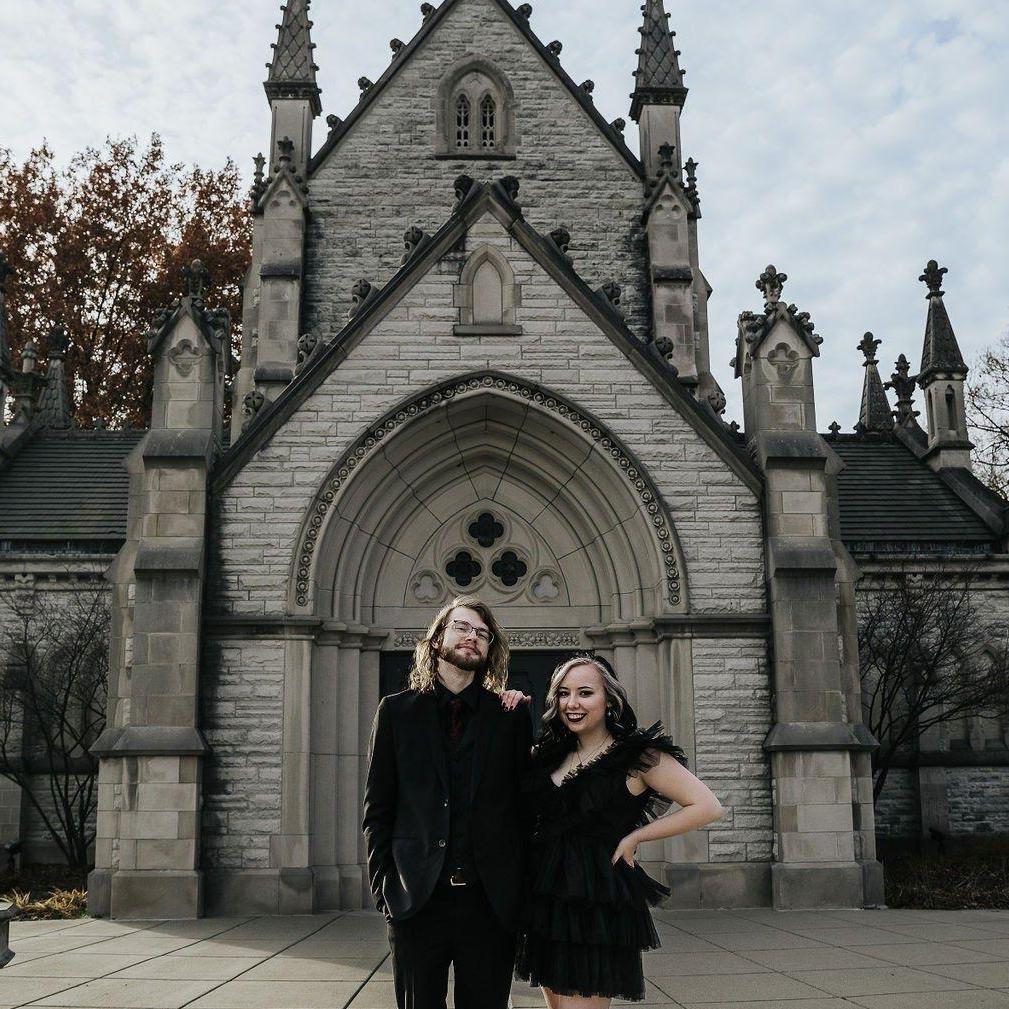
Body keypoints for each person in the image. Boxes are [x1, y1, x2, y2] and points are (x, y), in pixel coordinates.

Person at [515, 654, 724, 1008]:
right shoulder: (549, 754)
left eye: (585, 693)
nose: (572, 703)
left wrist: (636, 836)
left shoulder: (636, 756)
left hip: (596, 902)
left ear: (609, 699)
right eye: (564, 694)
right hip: (544, 899)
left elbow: (707, 805)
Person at [363, 595, 533, 1009]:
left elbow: (525, 809)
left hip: (489, 905)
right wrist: (385, 890)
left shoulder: (509, 716)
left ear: (490, 648)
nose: (472, 637)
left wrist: (519, 891)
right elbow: (378, 809)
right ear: (438, 637)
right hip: (417, 901)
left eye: (482, 633)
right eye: (462, 627)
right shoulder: (396, 713)